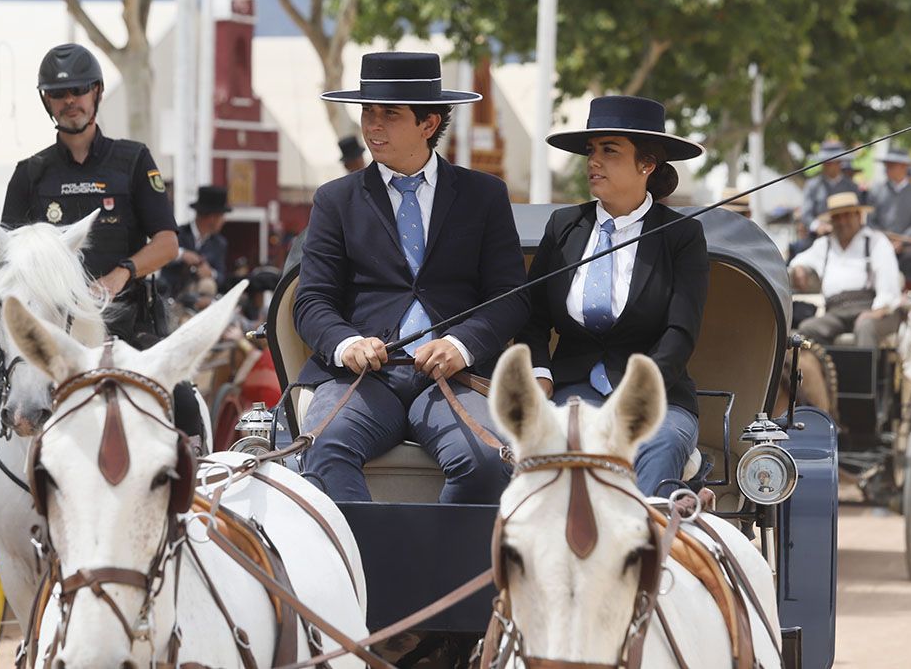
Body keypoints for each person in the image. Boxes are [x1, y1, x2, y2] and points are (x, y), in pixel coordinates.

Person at [0, 44, 198, 599]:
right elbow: (8, 255)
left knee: (184, 402)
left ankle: (192, 532)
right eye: (58, 94)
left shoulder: (135, 160)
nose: (70, 102)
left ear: (97, 95)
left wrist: (119, 275)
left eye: (78, 91)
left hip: (122, 325)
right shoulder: (29, 174)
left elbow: (167, 243)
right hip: (39, 335)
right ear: (48, 102)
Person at [294, 51, 529, 503]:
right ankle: (362, 567)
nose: (372, 125)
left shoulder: (484, 195)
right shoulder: (335, 200)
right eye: (367, 112)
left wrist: (460, 345)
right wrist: (348, 344)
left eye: (389, 114)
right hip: (362, 379)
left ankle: (444, 569)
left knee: (485, 459)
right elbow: (312, 301)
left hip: (453, 378)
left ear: (429, 124)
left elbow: (510, 296)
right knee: (323, 447)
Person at [516, 95, 709, 497]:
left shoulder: (681, 236)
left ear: (647, 164)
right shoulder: (564, 227)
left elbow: (680, 331)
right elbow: (533, 318)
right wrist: (540, 375)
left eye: (609, 150)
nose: (593, 161)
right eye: (591, 151)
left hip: (657, 397)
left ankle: (648, 548)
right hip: (572, 391)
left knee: (658, 441)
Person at [789, 191, 901, 347]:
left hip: (869, 307)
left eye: (847, 215)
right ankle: (824, 371)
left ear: (858, 216)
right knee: (807, 330)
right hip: (835, 311)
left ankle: (864, 372)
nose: (842, 222)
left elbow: (888, 285)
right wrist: (798, 268)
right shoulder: (824, 245)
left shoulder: (876, 242)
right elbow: (798, 260)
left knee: (866, 327)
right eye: (837, 217)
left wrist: (876, 311)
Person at [867, 147, 911, 287]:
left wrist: (902, 243)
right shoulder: (876, 191)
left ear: (903, 167)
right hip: (880, 248)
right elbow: (870, 221)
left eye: (892, 165)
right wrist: (885, 242)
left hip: (909, 252)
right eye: (887, 165)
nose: (887, 168)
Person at [162, 185, 232, 297]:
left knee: (208, 285)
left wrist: (210, 273)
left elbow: (221, 276)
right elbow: (161, 256)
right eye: (221, 216)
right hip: (172, 297)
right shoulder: (177, 234)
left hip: (201, 300)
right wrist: (181, 254)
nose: (224, 221)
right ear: (211, 217)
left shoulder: (219, 244)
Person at [802, 139, 860, 236]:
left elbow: (858, 212)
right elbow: (806, 214)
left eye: (831, 162)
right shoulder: (812, 185)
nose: (827, 166)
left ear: (840, 163)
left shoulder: (851, 186)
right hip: (819, 236)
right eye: (825, 162)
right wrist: (817, 226)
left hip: (847, 234)